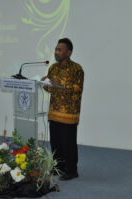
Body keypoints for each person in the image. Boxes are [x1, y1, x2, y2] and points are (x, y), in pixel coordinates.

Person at [41, 38, 84, 181]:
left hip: (69, 114)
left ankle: (72, 170)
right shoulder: (53, 68)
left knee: (68, 143)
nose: (56, 52)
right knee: (56, 143)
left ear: (68, 52)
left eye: (60, 50)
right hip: (54, 111)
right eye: (56, 49)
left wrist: (62, 84)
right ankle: (58, 167)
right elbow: (51, 89)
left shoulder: (76, 69)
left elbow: (77, 89)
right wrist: (45, 83)